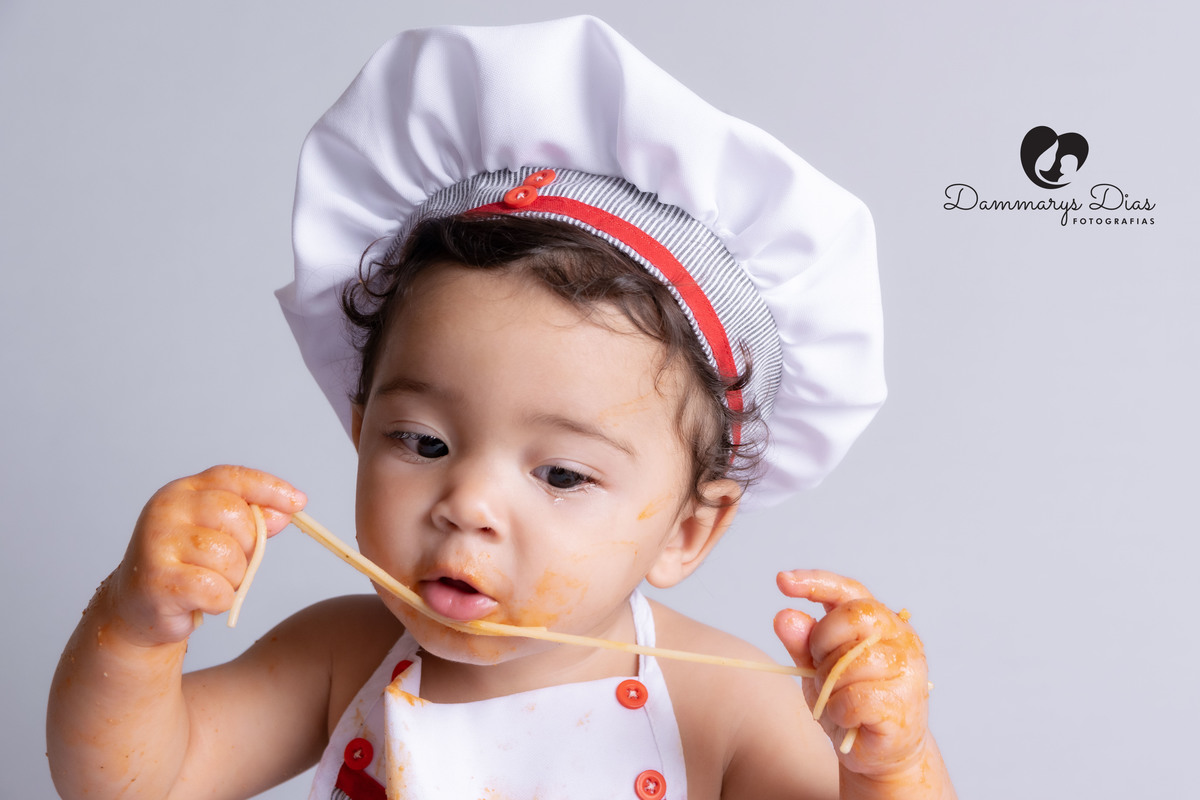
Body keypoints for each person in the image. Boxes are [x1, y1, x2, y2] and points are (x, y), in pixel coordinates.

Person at [47, 16, 955, 800]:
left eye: (561, 472)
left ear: (687, 531)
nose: (468, 504)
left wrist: (891, 763)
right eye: (423, 440)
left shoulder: (723, 705)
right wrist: (134, 624)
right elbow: (135, 779)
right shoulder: (341, 654)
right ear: (360, 427)